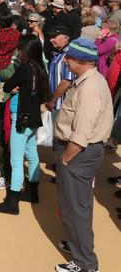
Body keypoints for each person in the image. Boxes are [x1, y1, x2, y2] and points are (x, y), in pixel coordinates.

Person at [54, 38, 114, 272]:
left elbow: (81, 134)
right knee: (79, 205)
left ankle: (85, 263)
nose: (65, 60)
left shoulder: (89, 89)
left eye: (69, 57)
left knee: (74, 208)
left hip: (77, 154)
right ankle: (77, 245)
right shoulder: (90, 81)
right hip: (82, 154)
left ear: (82, 60)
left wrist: (67, 159)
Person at [0, 36, 49, 214]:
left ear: (26, 50)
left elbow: (7, 85)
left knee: (15, 160)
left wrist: (15, 87)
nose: (19, 52)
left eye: (20, 49)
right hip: (33, 119)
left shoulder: (25, 68)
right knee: (32, 155)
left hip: (20, 118)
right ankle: (32, 193)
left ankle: (12, 202)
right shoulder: (41, 68)